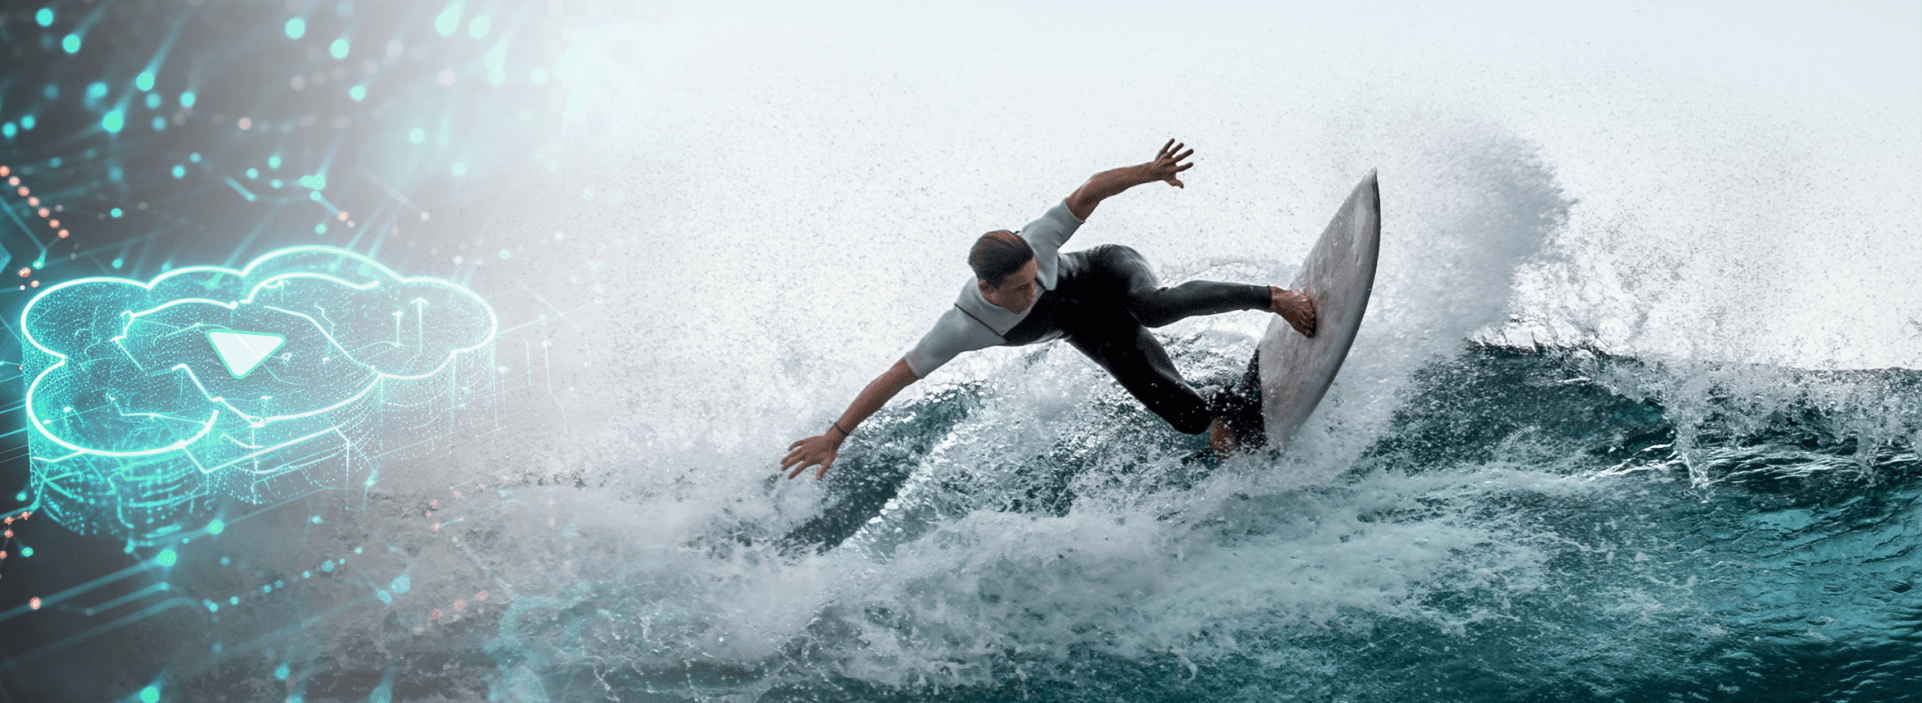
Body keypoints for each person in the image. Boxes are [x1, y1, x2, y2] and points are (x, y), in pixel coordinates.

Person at [782, 140, 1317, 480]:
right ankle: (1229, 407)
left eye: (1034, 274)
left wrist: (1149, 171)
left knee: (1152, 307)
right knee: (1188, 418)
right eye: (1019, 288)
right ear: (987, 287)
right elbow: (896, 376)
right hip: (1095, 329)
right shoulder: (963, 327)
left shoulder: (1035, 241)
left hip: (1111, 273)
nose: (1033, 289)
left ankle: (1272, 298)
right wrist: (835, 435)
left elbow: (1088, 192)